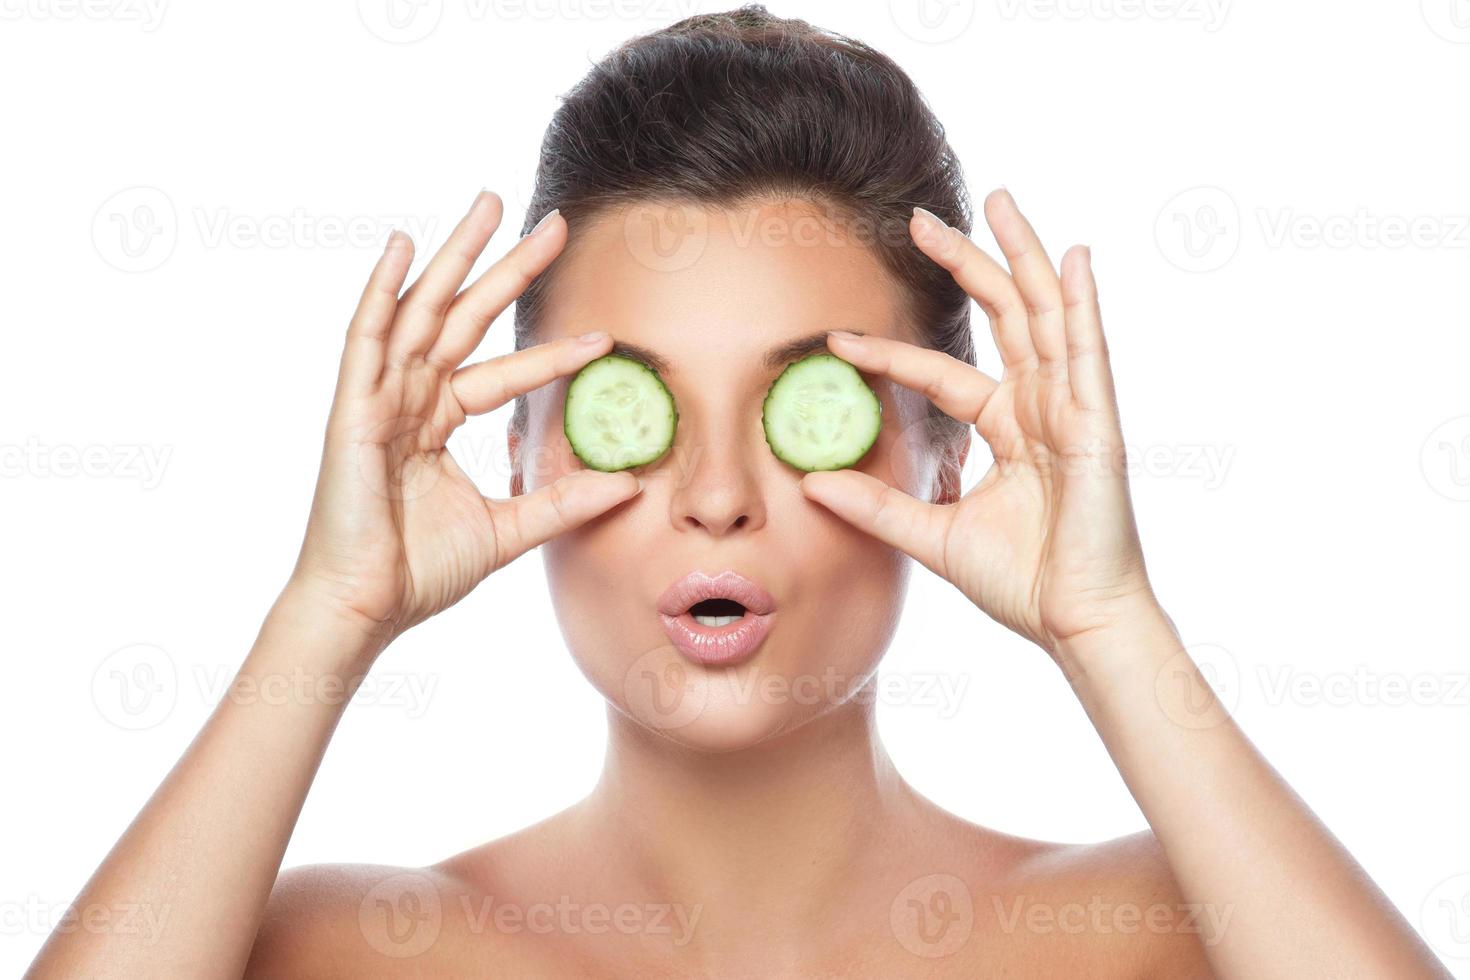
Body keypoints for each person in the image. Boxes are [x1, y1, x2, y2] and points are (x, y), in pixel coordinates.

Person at [26, 6, 1450, 977]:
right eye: (630, 409)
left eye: (803, 412)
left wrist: (1111, 627)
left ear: (945, 451)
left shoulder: (1155, 928)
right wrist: (324, 611)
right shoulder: (340, 946)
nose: (715, 496)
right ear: (514, 450)